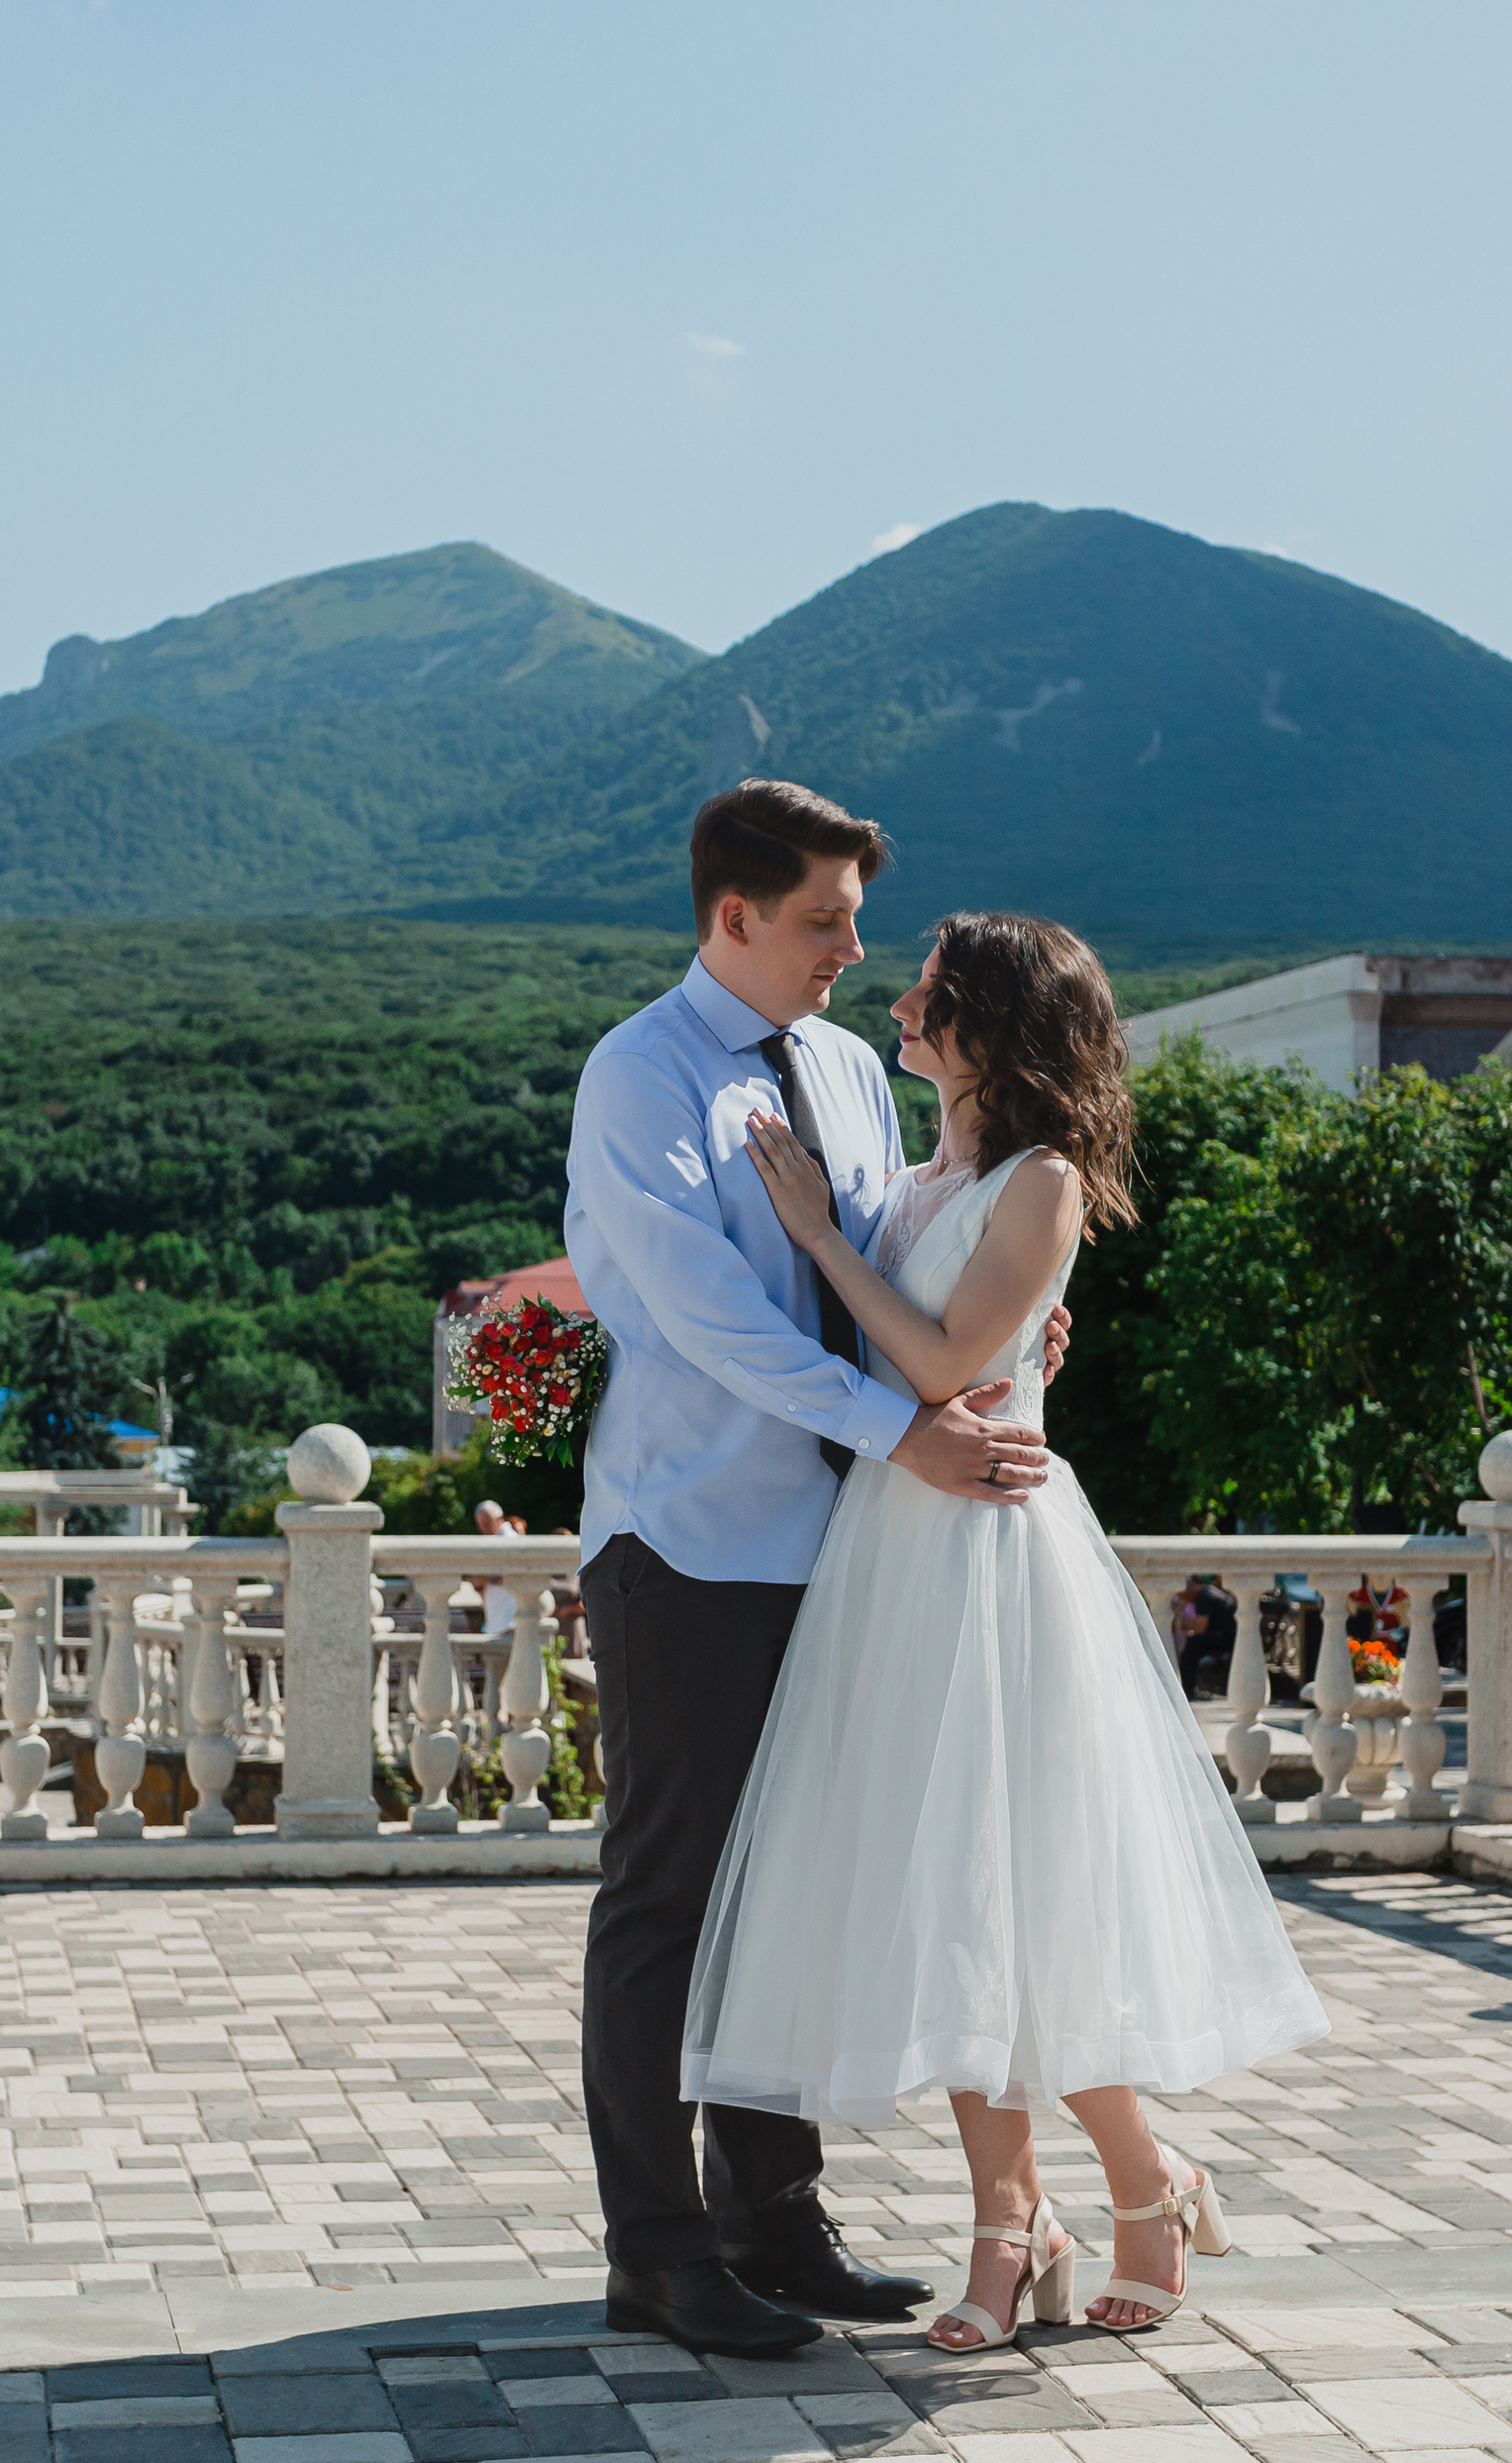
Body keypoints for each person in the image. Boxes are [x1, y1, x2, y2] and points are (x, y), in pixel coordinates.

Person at [683, 910, 1329, 2345]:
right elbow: (925, 1350)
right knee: (946, 1918)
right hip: (895, 1556)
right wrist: (849, 1247)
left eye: (934, 989)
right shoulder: (922, 1185)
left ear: (995, 1026)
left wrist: (813, 1238)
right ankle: (1030, 2220)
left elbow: (931, 1358)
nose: (903, 1001)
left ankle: (1134, 2193)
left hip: (991, 1559)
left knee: (1017, 1906)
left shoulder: (1041, 1181)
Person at [564, 780, 1070, 2358]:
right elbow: (710, 1316)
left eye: (854, 916)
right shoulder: (639, 1078)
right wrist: (894, 1427)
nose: (857, 950)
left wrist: (1006, 1331)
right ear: (734, 916)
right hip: (692, 1541)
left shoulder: (852, 1071)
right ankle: (657, 2249)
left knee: (788, 1894)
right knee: (670, 1896)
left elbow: (896, 1269)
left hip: (843, 1554)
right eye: (826, 920)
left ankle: (771, 2222)